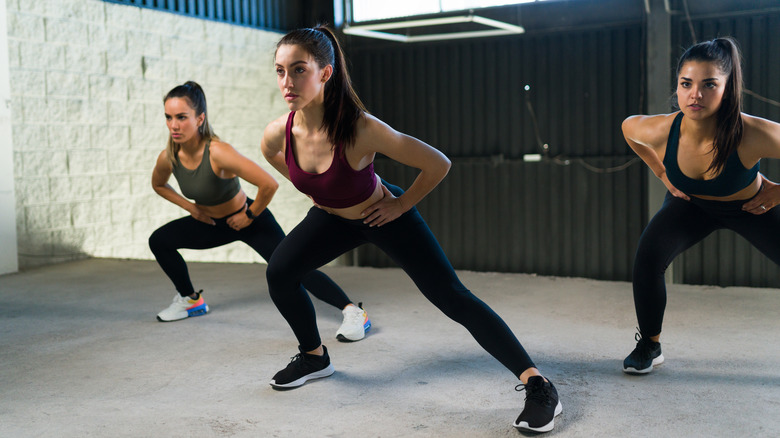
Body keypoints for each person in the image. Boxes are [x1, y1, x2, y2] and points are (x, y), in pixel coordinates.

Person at [260, 27, 562, 433]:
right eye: (280, 71)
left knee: (451, 297)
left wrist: (400, 205)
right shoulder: (279, 131)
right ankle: (315, 357)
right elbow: (277, 159)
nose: (287, 82)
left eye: (298, 70)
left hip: (381, 215)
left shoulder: (361, 128)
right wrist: (319, 196)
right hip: (333, 219)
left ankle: (538, 384)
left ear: (326, 73)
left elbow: (438, 163)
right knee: (280, 272)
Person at [148, 81, 371, 342]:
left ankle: (353, 312)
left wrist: (250, 215)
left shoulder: (219, 152)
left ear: (200, 119)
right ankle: (190, 300)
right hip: (211, 222)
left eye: (181, 117)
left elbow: (268, 183)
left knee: (293, 268)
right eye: (169, 117)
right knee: (159, 241)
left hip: (251, 220)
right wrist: (191, 208)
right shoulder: (169, 157)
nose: (174, 125)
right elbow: (158, 184)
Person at [621, 37, 780, 374]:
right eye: (686, 84)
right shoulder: (663, 129)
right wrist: (661, 172)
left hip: (751, 207)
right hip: (689, 205)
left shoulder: (752, 132)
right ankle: (650, 343)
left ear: (727, 88)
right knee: (647, 258)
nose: (695, 94)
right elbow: (628, 128)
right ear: (677, 87)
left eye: (709, 84)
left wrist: (779, 192)